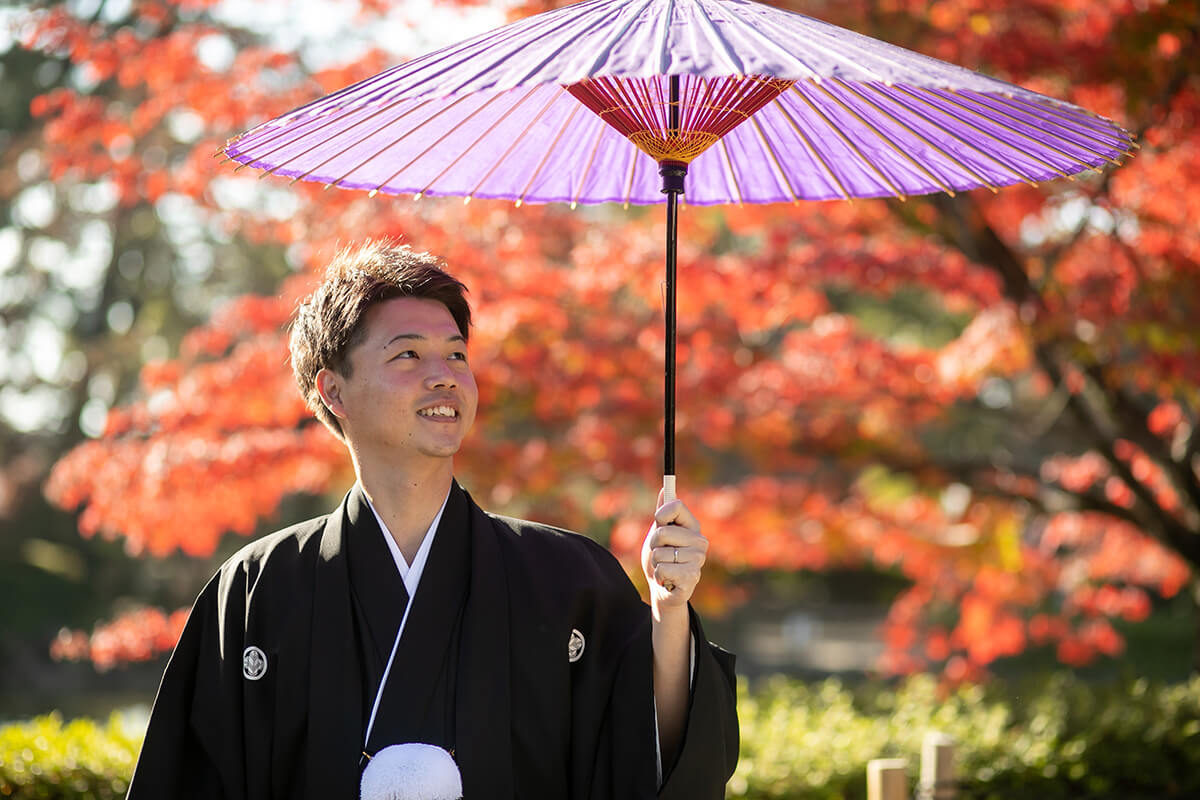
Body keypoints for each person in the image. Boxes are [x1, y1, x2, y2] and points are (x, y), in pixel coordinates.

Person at [126, 241, 738, 800]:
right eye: (409, 354)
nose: (445, 374)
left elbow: (651, 759)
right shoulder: (257, 588)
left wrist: (668, 611)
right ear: (333, 391)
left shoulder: (567, 578)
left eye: (456, 353)